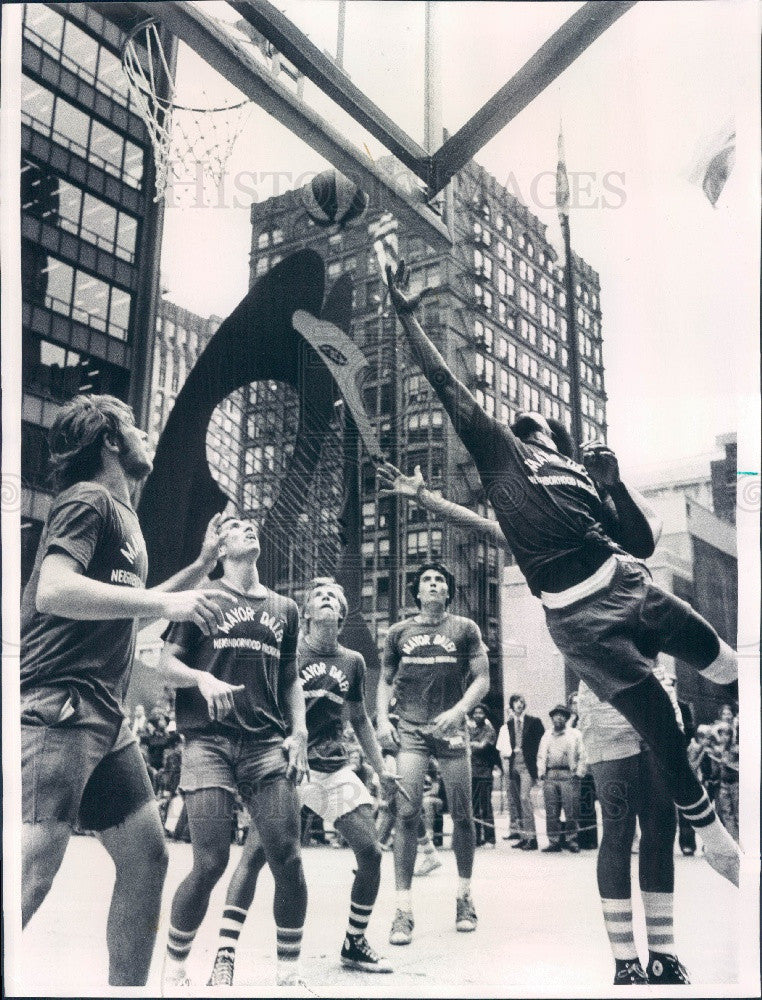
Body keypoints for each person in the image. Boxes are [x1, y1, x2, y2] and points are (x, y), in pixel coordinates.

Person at [382, 261, 740, 887]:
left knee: (728, 665)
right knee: (659, 718)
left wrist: (616, 483)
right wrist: (409, 316)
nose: (523, 428)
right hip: (577, 616)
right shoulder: (502, 460)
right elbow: (445, 385)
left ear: (555, 438)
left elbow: (638, 539)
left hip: (626, 581)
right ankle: (715, 840)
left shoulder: (579, 476)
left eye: (534, 427)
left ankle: (716, 820)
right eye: (517, 427)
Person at [20, 393, 236, 987]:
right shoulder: (89, 500)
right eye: (135, 425)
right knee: (31, 874)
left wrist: (197, 568)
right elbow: (55, 593)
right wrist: (171, 601)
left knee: (146, 860)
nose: (147, 433)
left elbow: (123, 615)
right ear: (110, 440)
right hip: (57, 707)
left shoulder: (124, 517)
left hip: (105, 719)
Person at [204, 577, 398, 983]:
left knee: (372, 851)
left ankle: (354, 941)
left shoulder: (354, 661)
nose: (327, 600)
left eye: (334, 597)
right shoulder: (287, 650)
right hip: (285, 763)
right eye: (318, 597)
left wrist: (382, 770)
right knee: (256, 857)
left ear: (342, 615)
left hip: (331, 765)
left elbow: (360, 718)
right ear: (305, 613)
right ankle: (224, 953)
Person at [158, 515, 309, 991]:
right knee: (210, 862)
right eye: (236, 526)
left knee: (287, 857)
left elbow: (290, 679)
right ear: (219, 547)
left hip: (267, 743)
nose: (249, 529)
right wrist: (201, 678)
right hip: (208, 740)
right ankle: (176, 968)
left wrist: (299, 732)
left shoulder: (285, 608)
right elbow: (166, 662)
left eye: (252, 525)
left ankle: (288, 976)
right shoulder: (204, 597)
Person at [376, 562, 490, 946]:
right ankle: (403, 910)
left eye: (440, 580)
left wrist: (458, 711)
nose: (434, 584)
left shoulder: (464, 629)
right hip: (411, 729)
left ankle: (464, 897)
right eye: (427, 580)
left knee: (462, 813)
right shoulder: (398, 632)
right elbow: (385, 681)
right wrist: (381, 718)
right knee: (406, 812)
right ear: (417, 592)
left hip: (451, 729)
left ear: (447, 592)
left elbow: (482, 680)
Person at [578, 666, 691, 985]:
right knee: (619, 826)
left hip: (655, 682)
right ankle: (626, 963)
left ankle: (662, 957)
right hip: (605, 688)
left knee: (661, 824)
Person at [498, 694, 544, 850]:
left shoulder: (534, 722)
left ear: (524, 705)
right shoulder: (509, 724)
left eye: (521, 702)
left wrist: (539, 768)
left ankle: (532, 838)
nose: (519, 704)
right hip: (513, 765)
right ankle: (524, 836)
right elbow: (505, 746)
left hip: (527, 765)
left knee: (525, 798)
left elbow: (541, 744)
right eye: (516, 702)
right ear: (511, 705)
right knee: (517, 801)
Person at [537, 704, 585, 853]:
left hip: (568, 775)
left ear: (566, 717)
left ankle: (572, 840)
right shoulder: (546, 735)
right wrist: (541, 772)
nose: (559, 717)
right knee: (551, 811)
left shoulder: (575, 734)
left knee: (571, 810)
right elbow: (540, 755)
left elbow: (583, 755)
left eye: (562, 715)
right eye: (556, 715)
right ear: (551, 718)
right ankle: (554, 841)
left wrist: (579, 773)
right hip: (550, 775)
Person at [568, 690, 598, 850]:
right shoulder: (568, 722)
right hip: (572, 766)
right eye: (573, 702)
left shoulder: (586, 717)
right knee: (575, 805)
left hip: (588, 766)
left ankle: (590, 839)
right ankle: (577, 837)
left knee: (588, 803)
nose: (575, 705)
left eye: (578, 702)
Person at [467, 704, 498, 846]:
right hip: (470, 772)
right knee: (472, 807)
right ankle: (476, 837)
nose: (478, 715)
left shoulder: (489, 730)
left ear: (485, 715)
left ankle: (490, 838)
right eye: (475, 712)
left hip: (484, 772)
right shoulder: (469, 729)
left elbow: (482, 746)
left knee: (486, 807)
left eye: (481, 713)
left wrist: (469, 744)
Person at [715, 723, 739, 842]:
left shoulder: (736, 749)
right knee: (726, 813)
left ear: (731, 735)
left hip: (735, 783)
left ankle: (741, 841)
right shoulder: (720, 749)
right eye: (722, 734)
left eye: (726, 734)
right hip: (724, 784)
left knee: (737, 812)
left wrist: (728, 763)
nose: (724, 737)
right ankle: (732, 840)